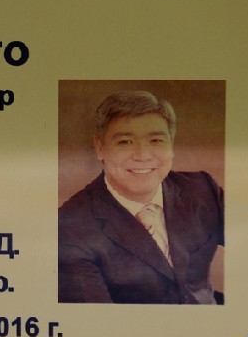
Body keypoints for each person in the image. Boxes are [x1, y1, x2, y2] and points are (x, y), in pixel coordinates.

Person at [58, 90, 223, 304]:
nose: (143, 155)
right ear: (100, 148)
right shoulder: (70, 226)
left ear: (171, 145)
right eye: (125, 142)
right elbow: (97, 320)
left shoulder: (202, 188)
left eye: (156, 140)